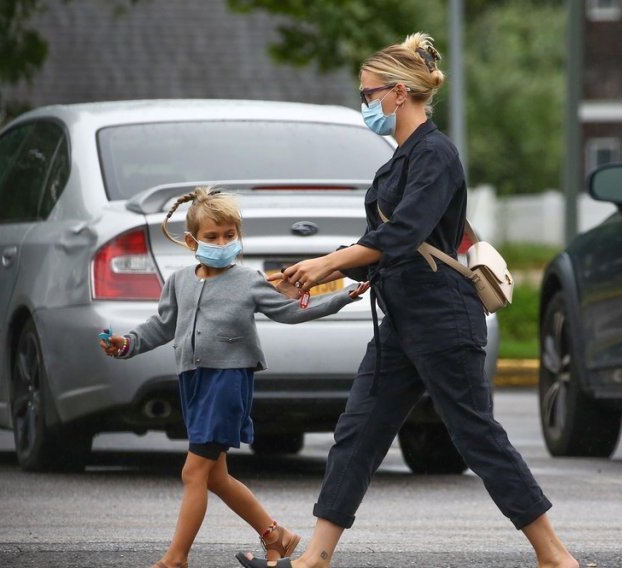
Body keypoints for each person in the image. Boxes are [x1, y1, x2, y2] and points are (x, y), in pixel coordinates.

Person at [235, 33, 579, 568]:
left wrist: (330, 262)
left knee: (476, 437)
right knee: (357, 431)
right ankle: (316, 558)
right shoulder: (398, 161)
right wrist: (310, 277)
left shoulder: (436, 155)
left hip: (444, 318)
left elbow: (403, 234)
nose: (364, 104)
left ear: (398, 93)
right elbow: (381, 247)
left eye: (368, 94)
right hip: (401, 322)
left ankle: (556, 557)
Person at [98, 186, 370, 568]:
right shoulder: (179, 281)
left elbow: (290, 312)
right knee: (215, 477)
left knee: (193, 471)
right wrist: (126, 344)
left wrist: (342, 297)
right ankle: (277, 535)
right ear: (193, 241)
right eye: (212, 236)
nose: (222, 243)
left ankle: (176, 558)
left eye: (229, 235)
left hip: (228, 383)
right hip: (193, 381)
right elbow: (161, 327)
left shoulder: (248, 281)